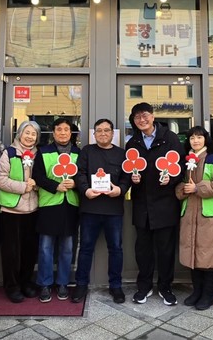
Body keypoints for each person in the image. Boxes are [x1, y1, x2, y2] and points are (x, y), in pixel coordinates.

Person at [125, 102, 183, 305]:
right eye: (137, 117)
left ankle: (166, 287)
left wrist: (171, 180)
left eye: (145, 115)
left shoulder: (170, 138)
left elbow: (181, 167)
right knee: (143, 249)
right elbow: (127, 169)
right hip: (142, 204)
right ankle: (144, 286)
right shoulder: (132, 143)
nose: (142, 120)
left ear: (153, 116)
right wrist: (132, 179)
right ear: (134, 121)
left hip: (165, 203)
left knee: (166, 249)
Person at [72, 118, 130, 304]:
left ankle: (116, 286)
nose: (103, 133)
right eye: (99, 130)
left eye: (106, 130)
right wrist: (85, 190)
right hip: (90, 208)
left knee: (116, 249)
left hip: (113, 209)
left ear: (112, 133)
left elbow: (127, 177)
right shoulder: (87, 151)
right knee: (85, 248)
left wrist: (120, 190)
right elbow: (79, 173)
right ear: (94, 134)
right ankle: (81, 284)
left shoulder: (121, 154)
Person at [176, 126, 213, 310]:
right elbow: (179, 185)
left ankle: (208, 294)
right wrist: (183, 189)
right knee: (193, 253)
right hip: (190, 213)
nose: (195, 141)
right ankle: (197, 291)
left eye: (199, 137)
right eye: (192, 138)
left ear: (205, 139)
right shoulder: (185, 161)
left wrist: (197, 188)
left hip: (209, 215)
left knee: (210, 255)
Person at [32, 118, 81, 302]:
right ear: (53, 133)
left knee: (67, 248)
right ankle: (44, 283)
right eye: (59, 129)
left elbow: (83, 175)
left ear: (71, 133)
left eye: (66, 129)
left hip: (70, 205)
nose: (62, 133)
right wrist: (55, 186)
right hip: (49, 205)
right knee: (45, 247)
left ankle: (63, 283)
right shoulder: (43, 152)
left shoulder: (78, 153)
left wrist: (75, 183)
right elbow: (38, 176)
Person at [0, 121, 41, 303]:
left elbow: (44, 177)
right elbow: (0, 179)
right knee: (11, 251)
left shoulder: (39, 154)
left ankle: (26, 282)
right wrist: (23, 187)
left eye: (34, 134)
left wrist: (36, 185)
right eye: (27, 132)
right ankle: (12, 286)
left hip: (33, 208)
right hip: (11, 209)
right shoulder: (9, 153)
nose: (30, 136)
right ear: (20, 133)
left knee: (30, 250)